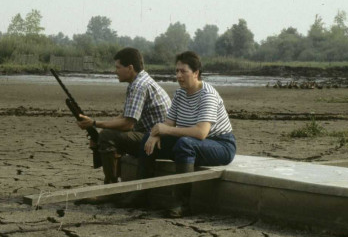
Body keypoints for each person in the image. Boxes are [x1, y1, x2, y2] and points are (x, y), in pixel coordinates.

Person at [142, 50, 236, 217]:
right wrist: (155, 134)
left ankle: (182, 204)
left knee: (185, 144)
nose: (178, 76)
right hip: (193, 142)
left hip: (221, 145)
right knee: (147, 140)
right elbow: (169, 124)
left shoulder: (208, 95)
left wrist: (166, 130)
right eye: (176, 71)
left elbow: (201, 133)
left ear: (196, 73)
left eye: (183, 71)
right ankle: (141, 196)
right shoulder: (180, 94)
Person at [76, 47, 171, 202]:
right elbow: (126, 116)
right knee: (104, 135)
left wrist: (94, 123)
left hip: (157, 141)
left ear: (130, 68)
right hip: (152, 136)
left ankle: (111, 190)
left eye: (118, 67)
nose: (116, 71)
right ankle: (115, 188)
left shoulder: (139, 86)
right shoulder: (140, 81)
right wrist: (96, 129)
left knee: (107, 136)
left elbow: (128, 124)